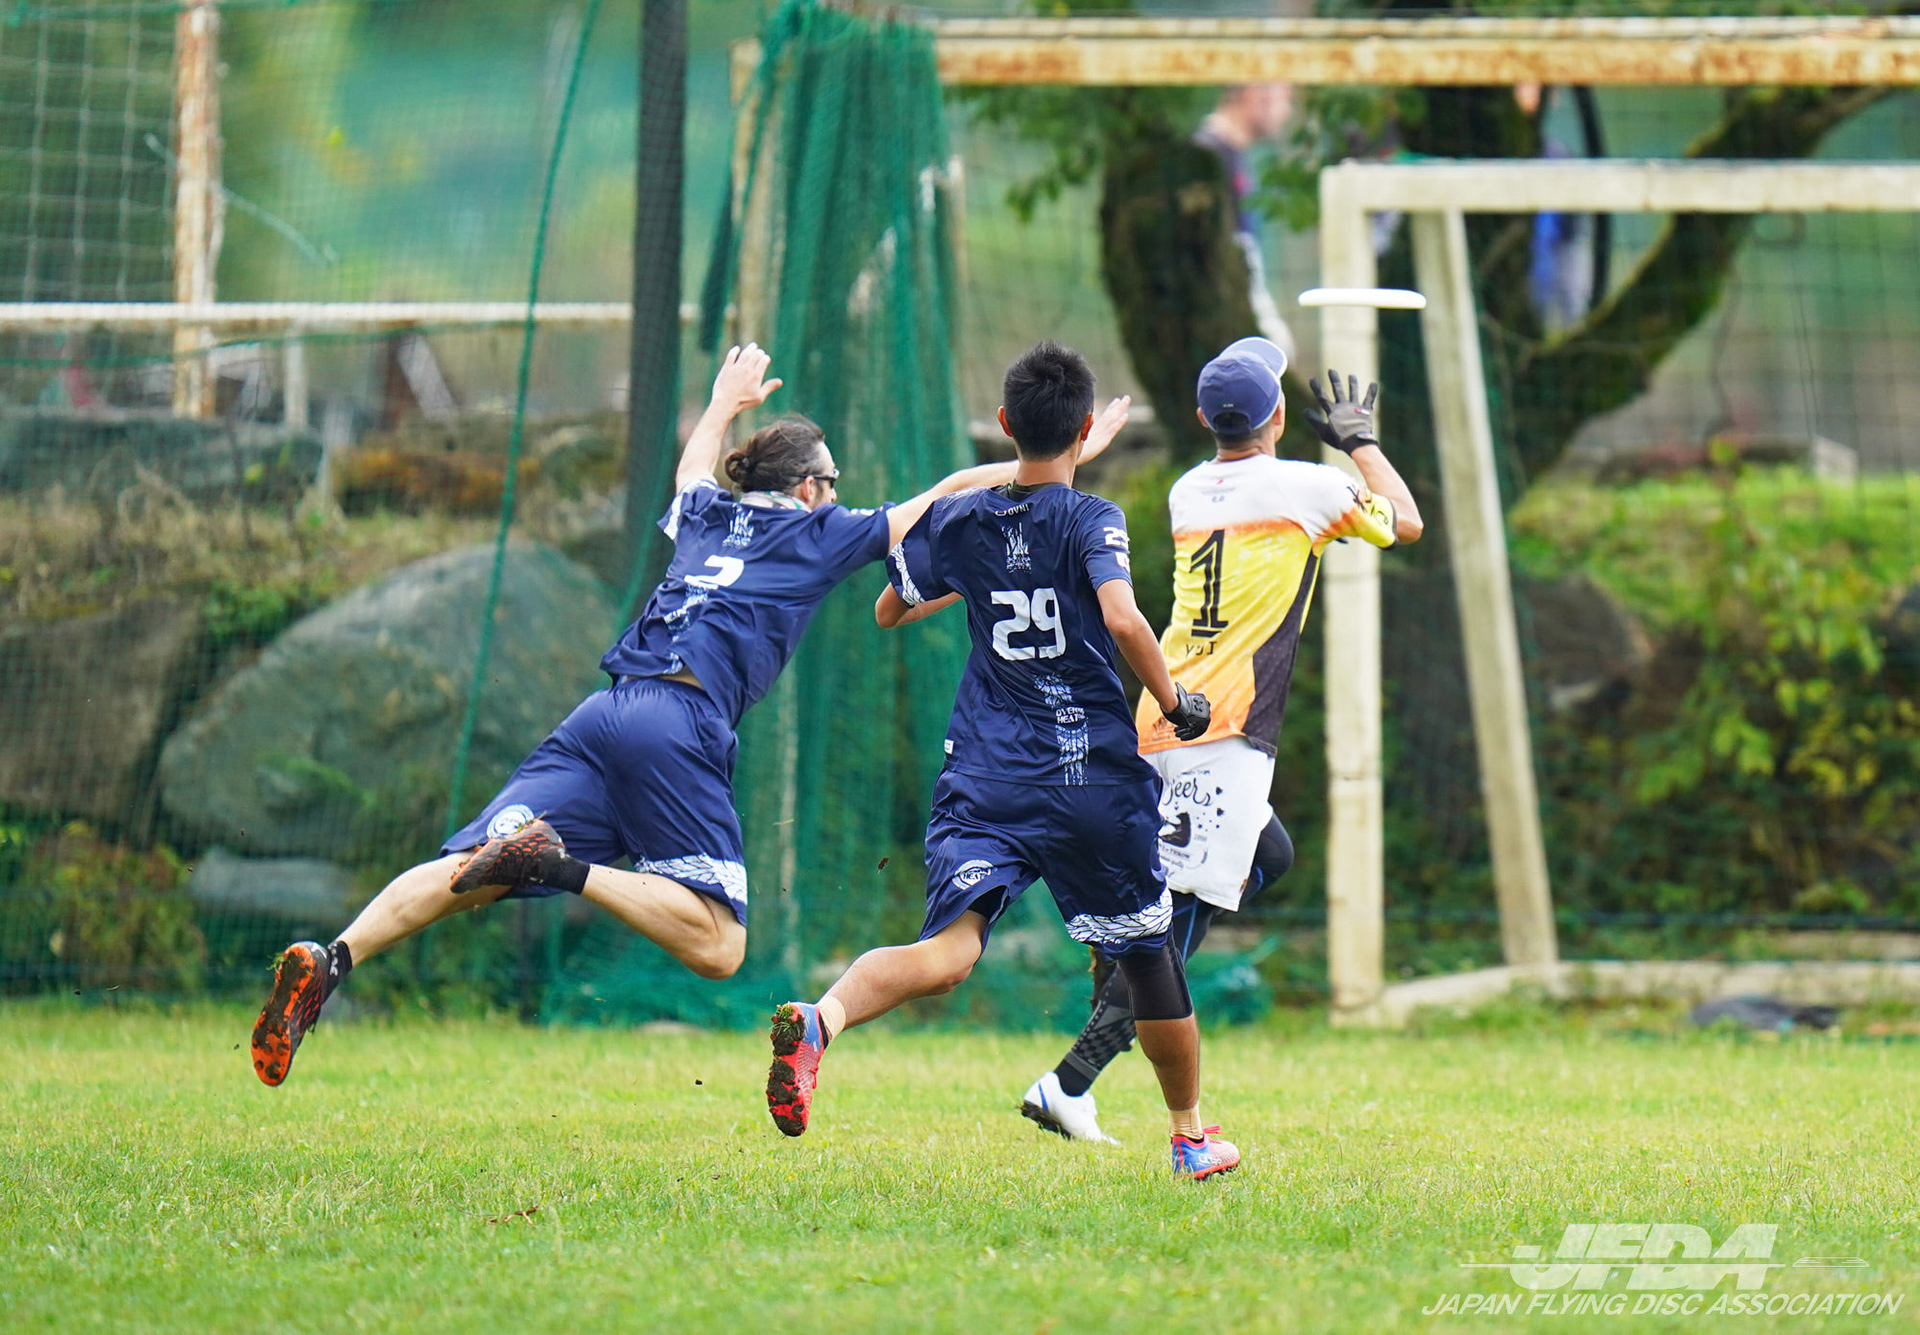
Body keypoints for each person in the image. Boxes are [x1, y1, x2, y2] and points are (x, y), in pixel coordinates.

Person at [248, 341, 1131, 1087]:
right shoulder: (816, 532)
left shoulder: (707, 512)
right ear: (810, 488)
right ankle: (555, 865)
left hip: (604, 711)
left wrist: (720, 401)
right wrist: (1055, 463)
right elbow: (940, 495)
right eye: (832, 482)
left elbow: (690, 466)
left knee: (463, 871)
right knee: (719, 946)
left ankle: (331, 959)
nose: (837, 495)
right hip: (681, 722)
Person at [762, 340, 1241, 1181]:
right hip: (1088, 776)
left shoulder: (961, 522)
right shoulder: (1092, 519)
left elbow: (888, 610)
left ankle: (822, 1018)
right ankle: (1189, 1138)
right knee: (1148, 953)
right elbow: (1123, 618)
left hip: (987, 775)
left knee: (949, 952)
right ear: (1086, 428)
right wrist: (1174, 703)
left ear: (1004, 423)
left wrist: (977, 579)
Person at [1018, 336, 1424, 1143]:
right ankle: (1068, 1083)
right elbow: (1405, 522)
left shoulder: (1187, 490)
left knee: (1266, 855)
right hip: (1225, 730)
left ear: (1204, 419)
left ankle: (1101, 1006)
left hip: (1165, 712)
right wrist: (1359, 441)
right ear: (1279, 416)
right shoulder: (1308, 487)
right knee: (1177, 923)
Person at [1194, 83, 1297, 358]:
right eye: (1285, 98)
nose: (1287, 111)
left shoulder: (1233, 154)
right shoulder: (1207, 156)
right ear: (1253, 94)